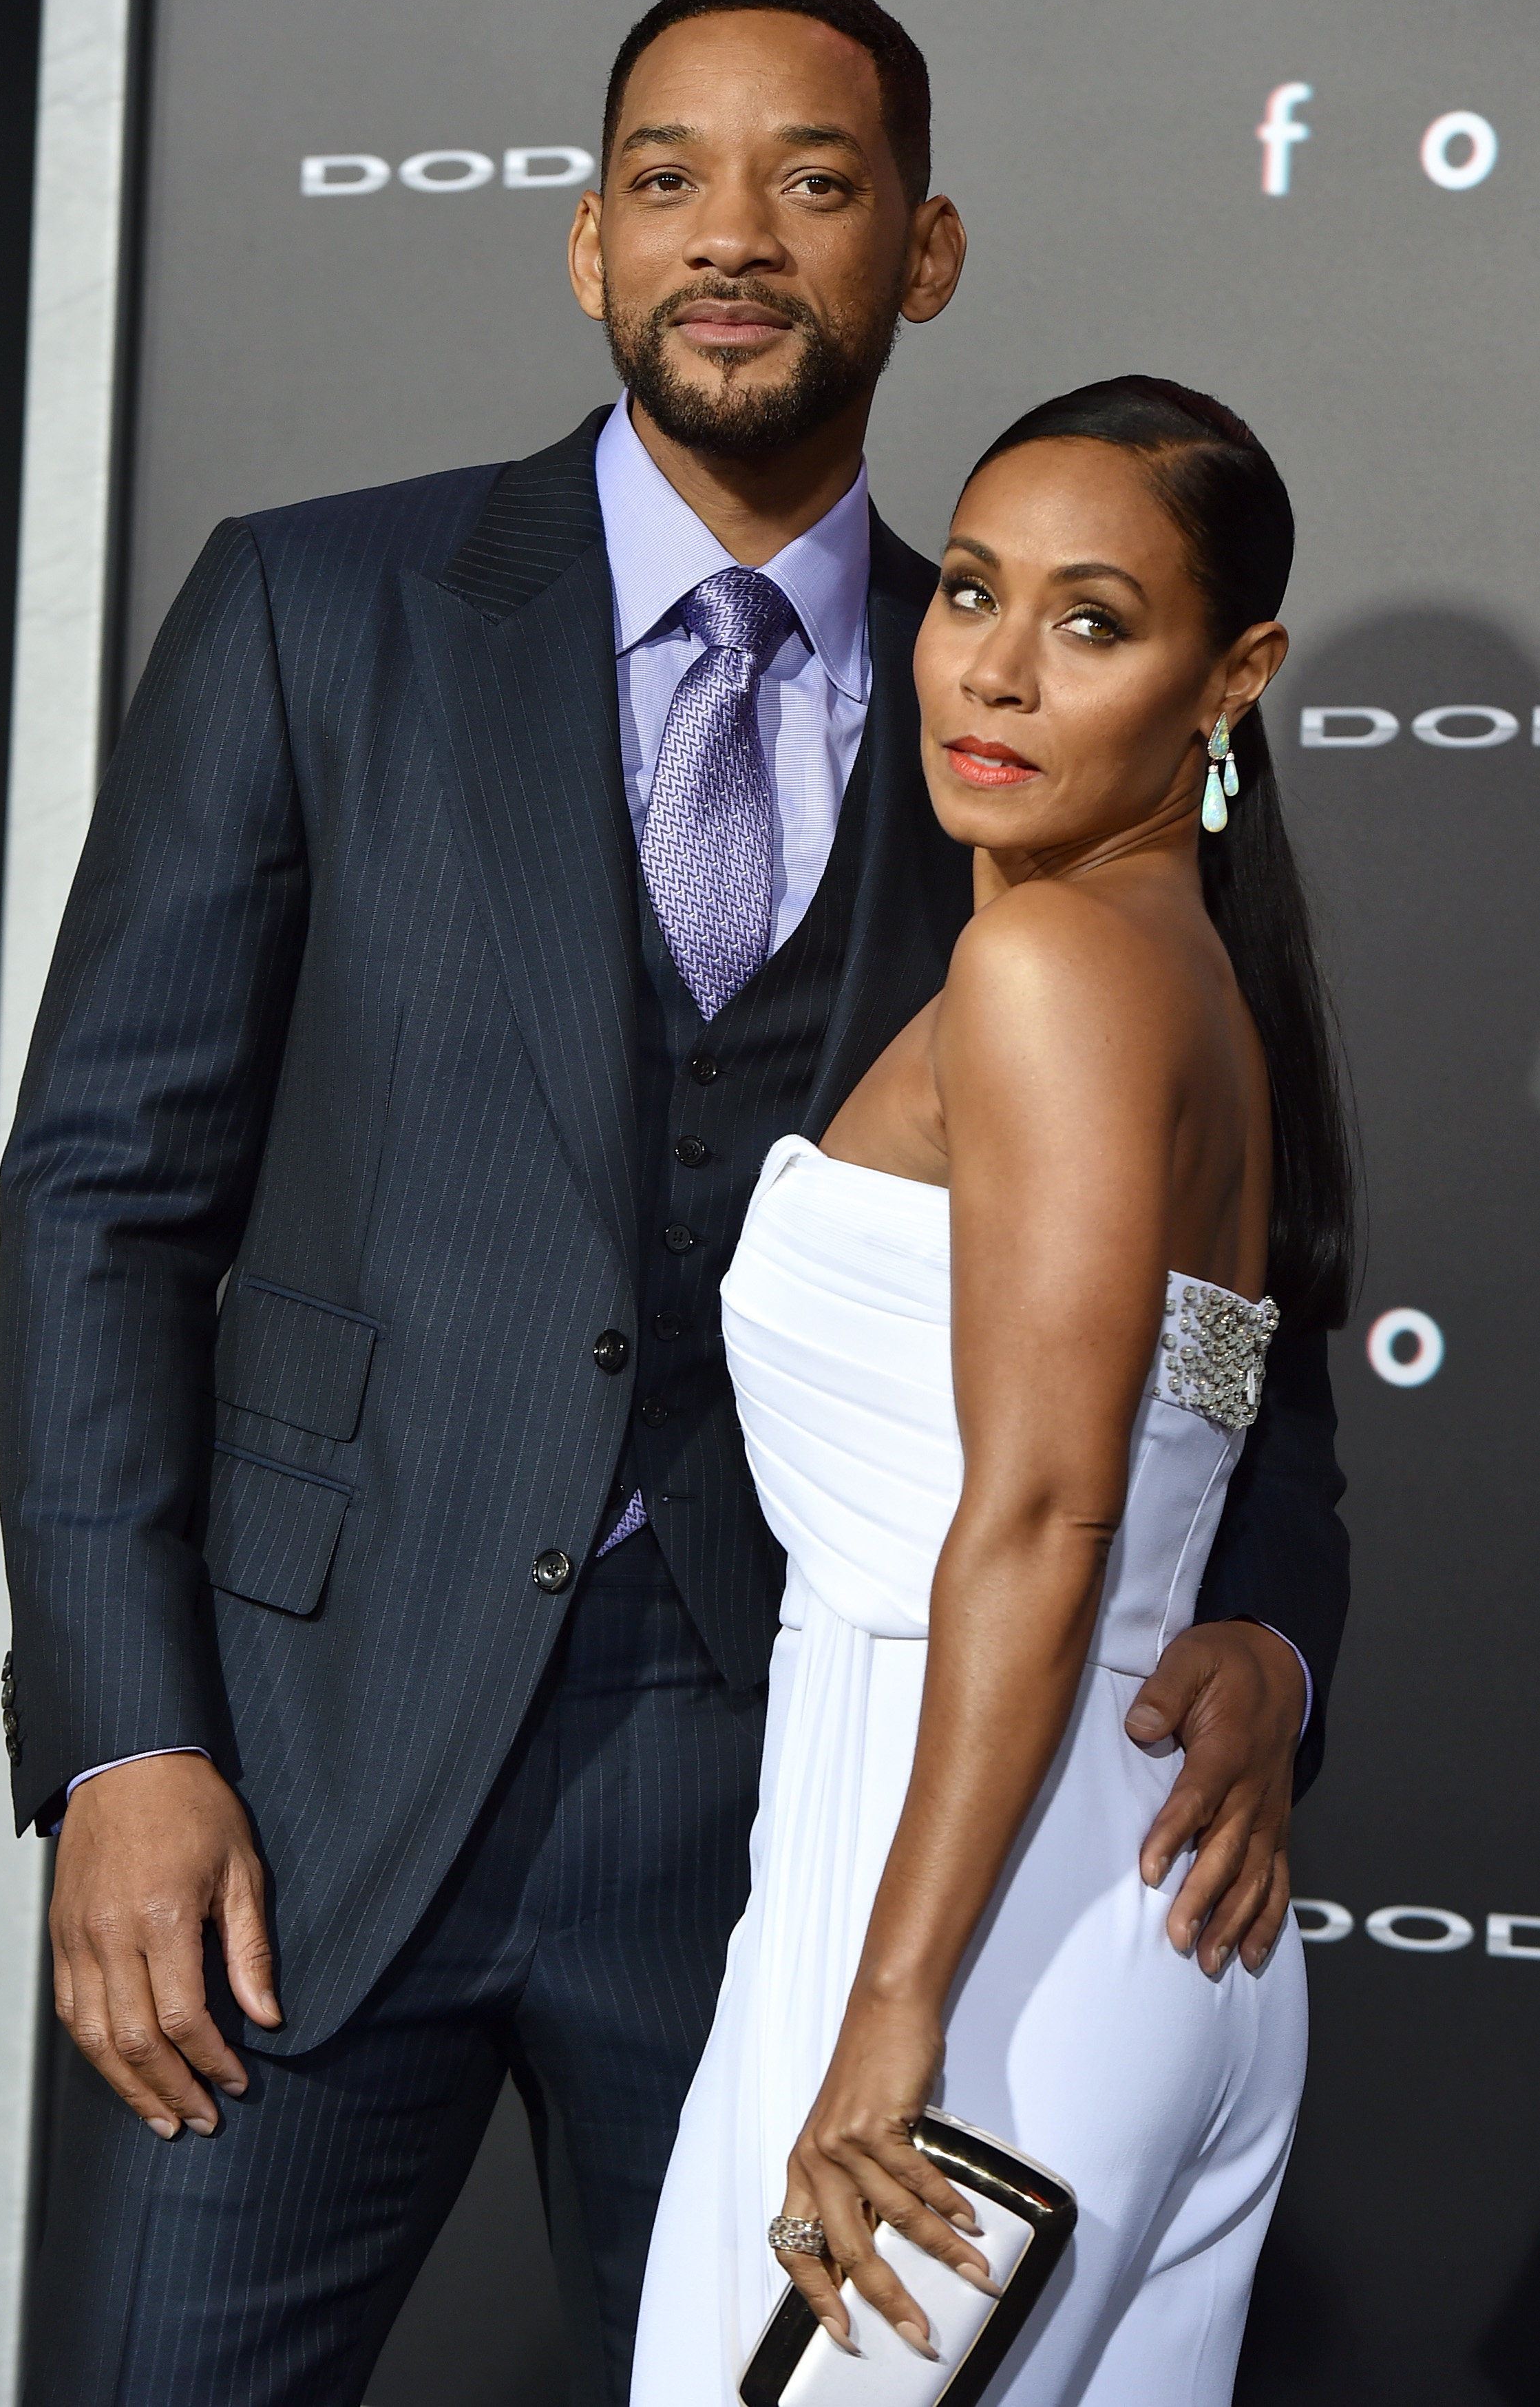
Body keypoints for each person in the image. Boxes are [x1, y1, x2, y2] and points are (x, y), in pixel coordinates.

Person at [0, 0, 1344, 2407]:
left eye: (811, 185)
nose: (731, 239)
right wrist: (121, 1742)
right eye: (664, 182)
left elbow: (1245, 1279)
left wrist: (1263, 1621)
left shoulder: (1046, 704)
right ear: (587, 247)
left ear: (919, 256)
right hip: (296, 1789)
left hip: (794, 1841)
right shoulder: (318, 612)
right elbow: (99, 1191)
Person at [630, 377, 1355, 2406]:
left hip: (971, 1946)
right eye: (966, 592)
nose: (999, 670)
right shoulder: (1185, 976)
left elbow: (1043, 1517)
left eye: (1091, 622)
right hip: (1153, 1960)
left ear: (1232, 679)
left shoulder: (1049, 977)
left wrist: (889, 2009)